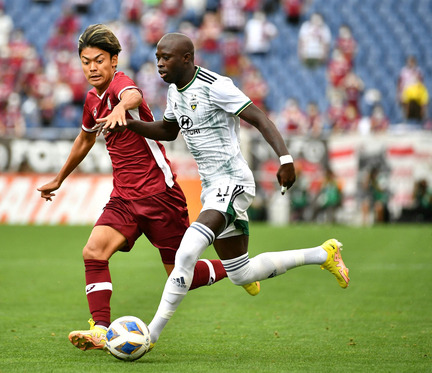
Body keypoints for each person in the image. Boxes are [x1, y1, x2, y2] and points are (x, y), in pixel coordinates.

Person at [98, 33, 350, 346]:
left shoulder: (216, 85)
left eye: (166, 58)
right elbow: (168, 130)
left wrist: (285, 158)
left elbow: (258, 117)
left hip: (232, 181)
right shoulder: (175, 92)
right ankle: (323, 253)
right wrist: (128, 124)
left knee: (187, 251)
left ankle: (150, 335)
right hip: (213, 188)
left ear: (187, 58)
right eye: (157, 57)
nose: (159, 64)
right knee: (240, 273)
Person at [36, 24, 228, 352]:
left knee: (182, 276)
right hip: (124, 197)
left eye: (99, 60)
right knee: (93, 252)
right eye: (85, 62)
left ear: (114, 61)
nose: (92, 68)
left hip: (159, 195)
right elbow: (85, 139)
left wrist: (122, 108)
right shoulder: (92, 100)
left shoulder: (120, 85)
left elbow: (132, 94)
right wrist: (60, 178)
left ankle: (236, 268)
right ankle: (99, 329)